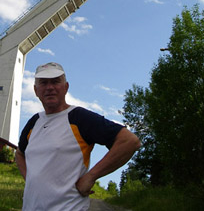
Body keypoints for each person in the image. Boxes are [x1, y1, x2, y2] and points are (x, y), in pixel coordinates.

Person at [15, 62, 141, 211]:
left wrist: (91, 176)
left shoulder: (78, 118)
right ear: (36, 90)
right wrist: (29, 179)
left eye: (55, 81)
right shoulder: (34, 122)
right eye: (43, 83)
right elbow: (19, 153)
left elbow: (130, 141)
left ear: (66, 87)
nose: (49, 87)